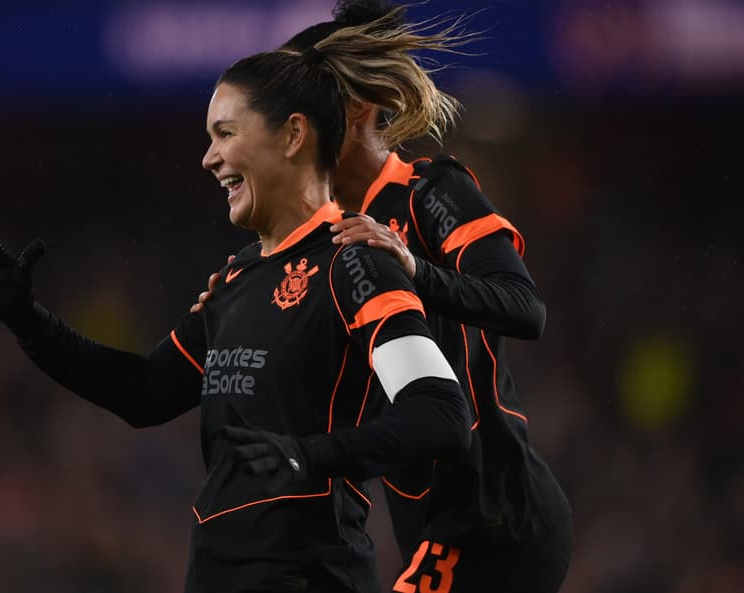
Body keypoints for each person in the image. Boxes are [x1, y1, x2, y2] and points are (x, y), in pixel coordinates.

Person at [0, 20, 474, 593]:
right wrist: (27, 319)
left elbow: (441, 414)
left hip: (309, 575)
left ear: (292, 135)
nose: (208, 158)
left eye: (224, 133)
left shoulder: (355, 262)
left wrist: (310, 455)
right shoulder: (238, 279)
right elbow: (143, 391)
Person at [193, 2, 573, 592]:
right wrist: (240, 304)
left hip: (497, 517)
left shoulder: (429, 192)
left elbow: (525, 308)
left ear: (357, 108)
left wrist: (415, 269)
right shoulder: (326, 236)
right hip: (427, 526)